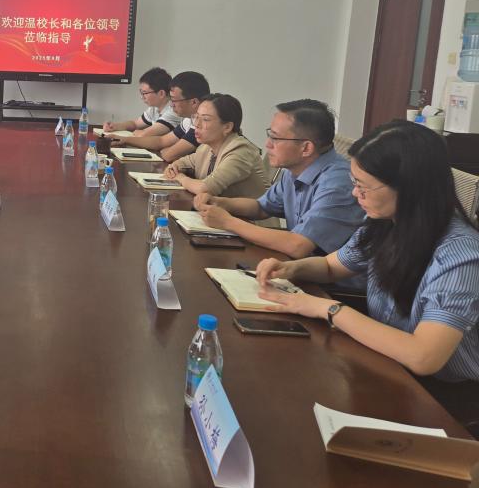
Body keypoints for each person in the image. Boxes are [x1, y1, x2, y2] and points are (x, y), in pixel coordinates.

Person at [254, 121, 479, 414]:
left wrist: (327, 309)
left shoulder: (460, 255)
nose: (354, 194)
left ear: (409, 188)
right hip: (386, 363)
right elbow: (331, 266)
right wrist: (291, 269)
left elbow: (424, 357)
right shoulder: (384, 224)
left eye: (363, 186)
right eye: (354, 182)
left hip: (443, 397)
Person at [193, 99, 364, 259]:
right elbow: (261, 207)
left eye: (275, 138)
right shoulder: (295, 167)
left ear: (306, 148)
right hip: (296, 264)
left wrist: (228, 222)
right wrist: (220, 203)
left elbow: (299, 245)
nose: (267, 144)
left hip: (327, 277)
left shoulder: (338, 183)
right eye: (270, 135)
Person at [162, 93, 268, 199]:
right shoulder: (207, 147)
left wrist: (180, 178)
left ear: (227, 127)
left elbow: (204, 189)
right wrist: (174, 168)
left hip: (246, 210)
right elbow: (184, 163)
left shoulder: (241, 151)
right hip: (217, 207)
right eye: (196, 117)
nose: (197, 124)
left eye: (205, 119)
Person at [113, 71, 210, 162]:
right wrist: (124, 140)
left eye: (174, 100)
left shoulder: (202, 124)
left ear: (194, 102)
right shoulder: (188, 120)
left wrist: (166, 150)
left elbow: (169, 155)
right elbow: (161, 141)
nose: (171, 105)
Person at [102, 67, 181, 137]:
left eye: (145, 93)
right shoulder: (154, 108)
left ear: (161, 93)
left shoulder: (173, 111)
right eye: (141, 93)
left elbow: (144, 134)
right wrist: (115, 126)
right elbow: (135, 124)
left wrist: (139, 132)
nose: (142, 97)